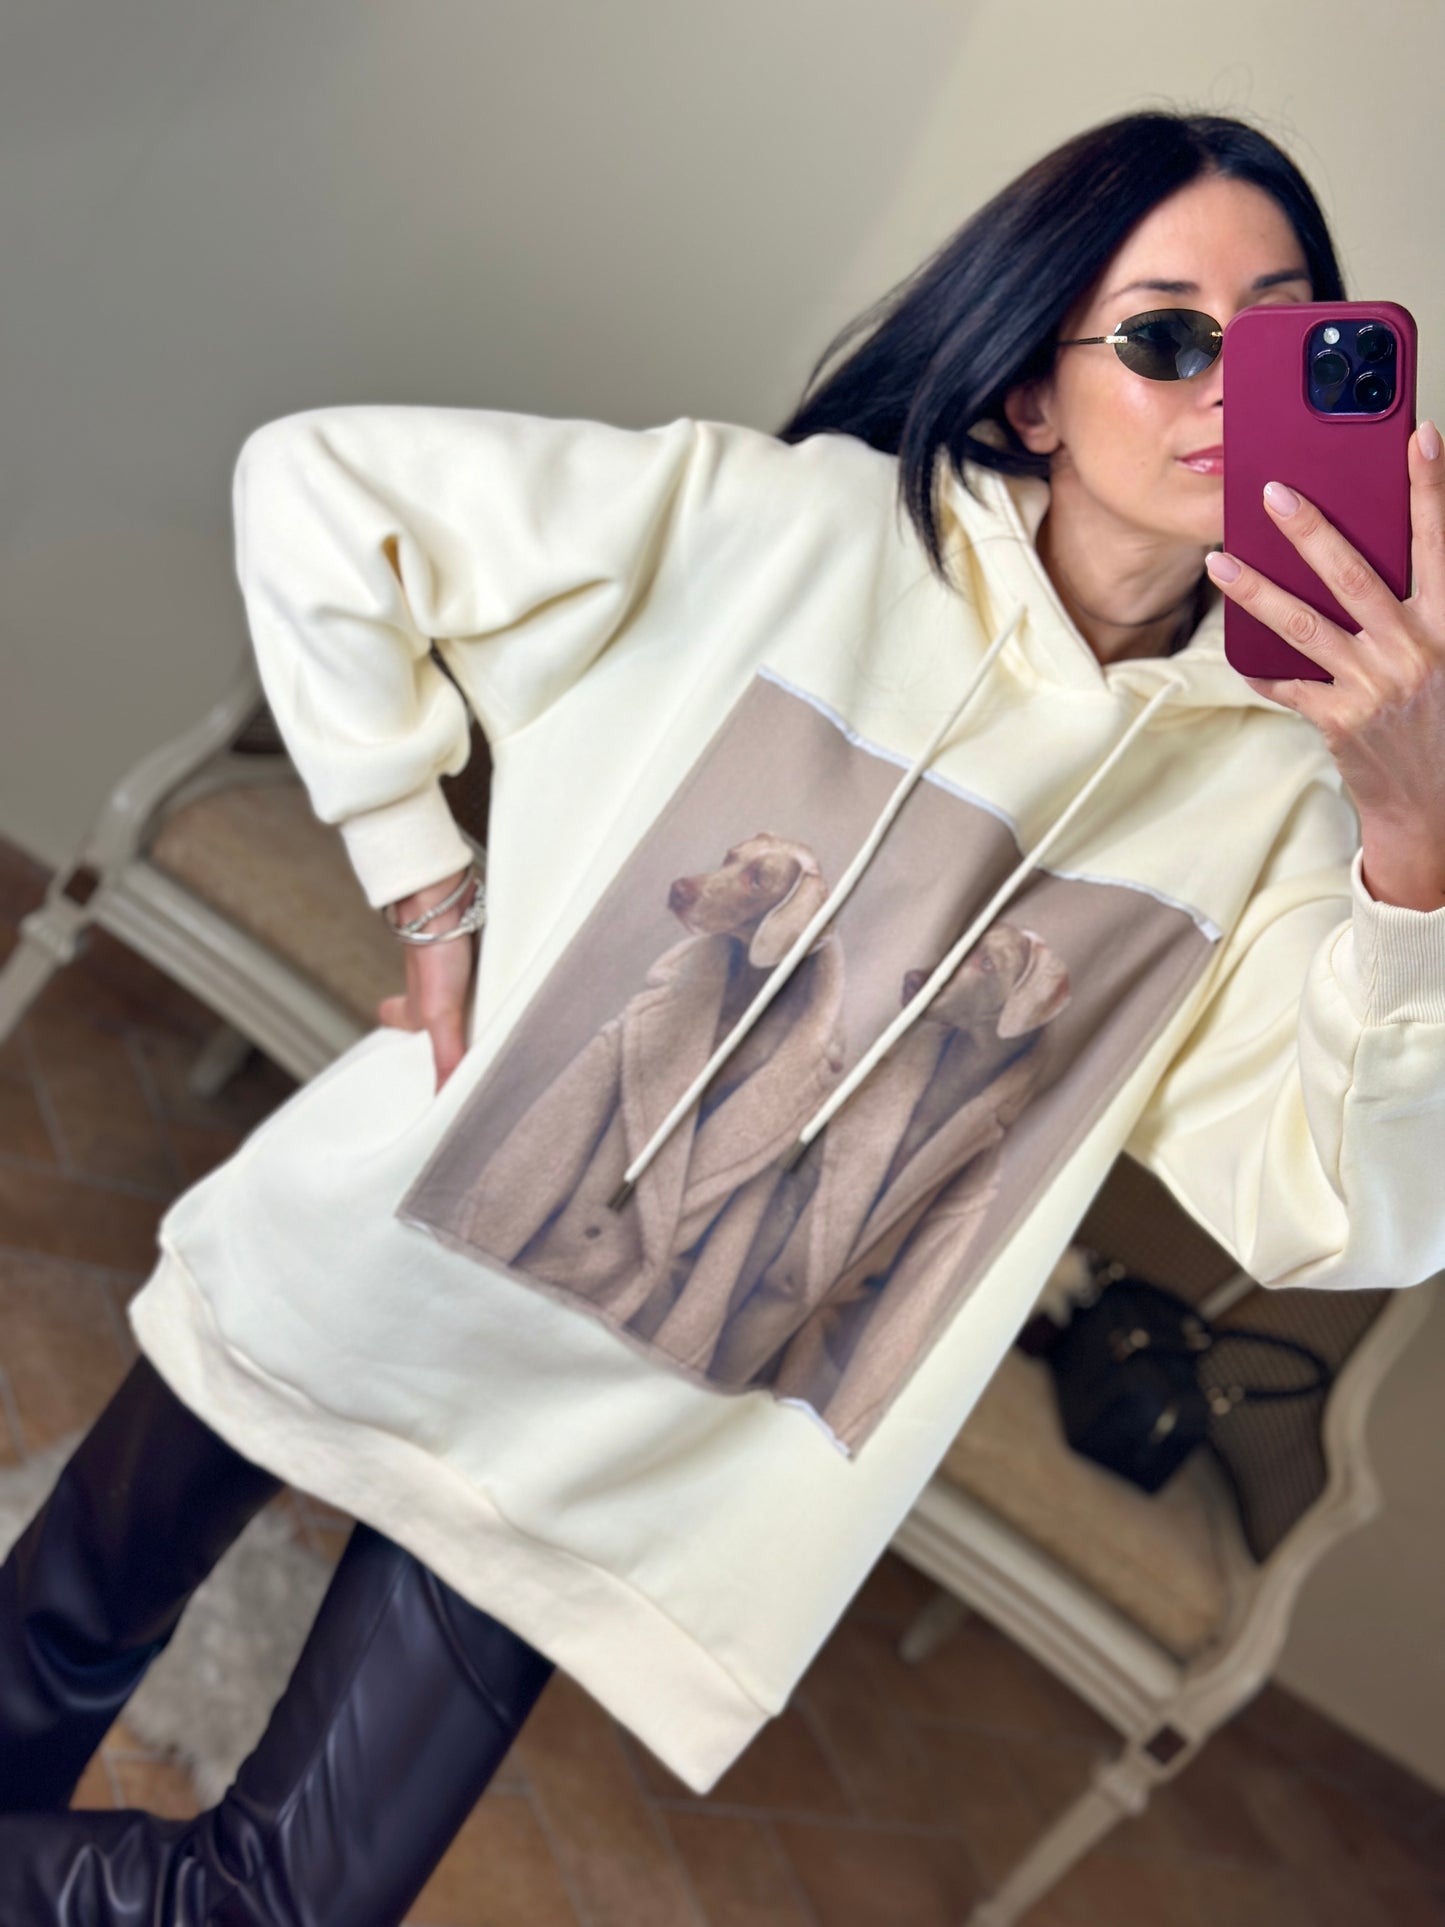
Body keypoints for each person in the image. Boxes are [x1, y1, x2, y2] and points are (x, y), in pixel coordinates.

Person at [2, 107, 1443, 1923]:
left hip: (644, 1430)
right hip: (388, 1242)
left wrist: (1413, 837)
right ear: (1030, 397)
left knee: (282, 1902)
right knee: (49, 1656)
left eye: (1288, 337)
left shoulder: (1287, 801)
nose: (1231, 384)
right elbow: (320, 486)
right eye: (1166, 337)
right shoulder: (788, 526)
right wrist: (423, 884)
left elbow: (1354, 1215)